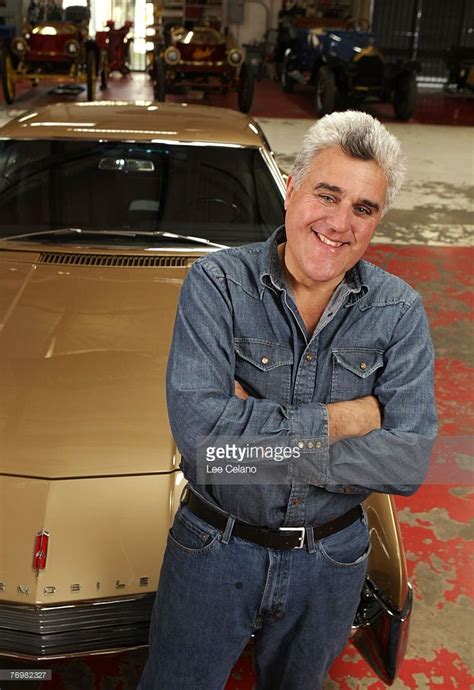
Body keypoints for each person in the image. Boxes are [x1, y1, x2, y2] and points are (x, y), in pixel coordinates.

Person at [138, 111, 438, 690]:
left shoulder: (398, 313)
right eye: (327, 195)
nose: (339, 222)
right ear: (292, 188)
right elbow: (203, 445)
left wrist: (251, 442)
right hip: (215, 547)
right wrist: (349, 418)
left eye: (363, 208)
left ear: (377, 220)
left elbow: (407, 460)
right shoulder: (217, 285)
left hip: (332, 560)